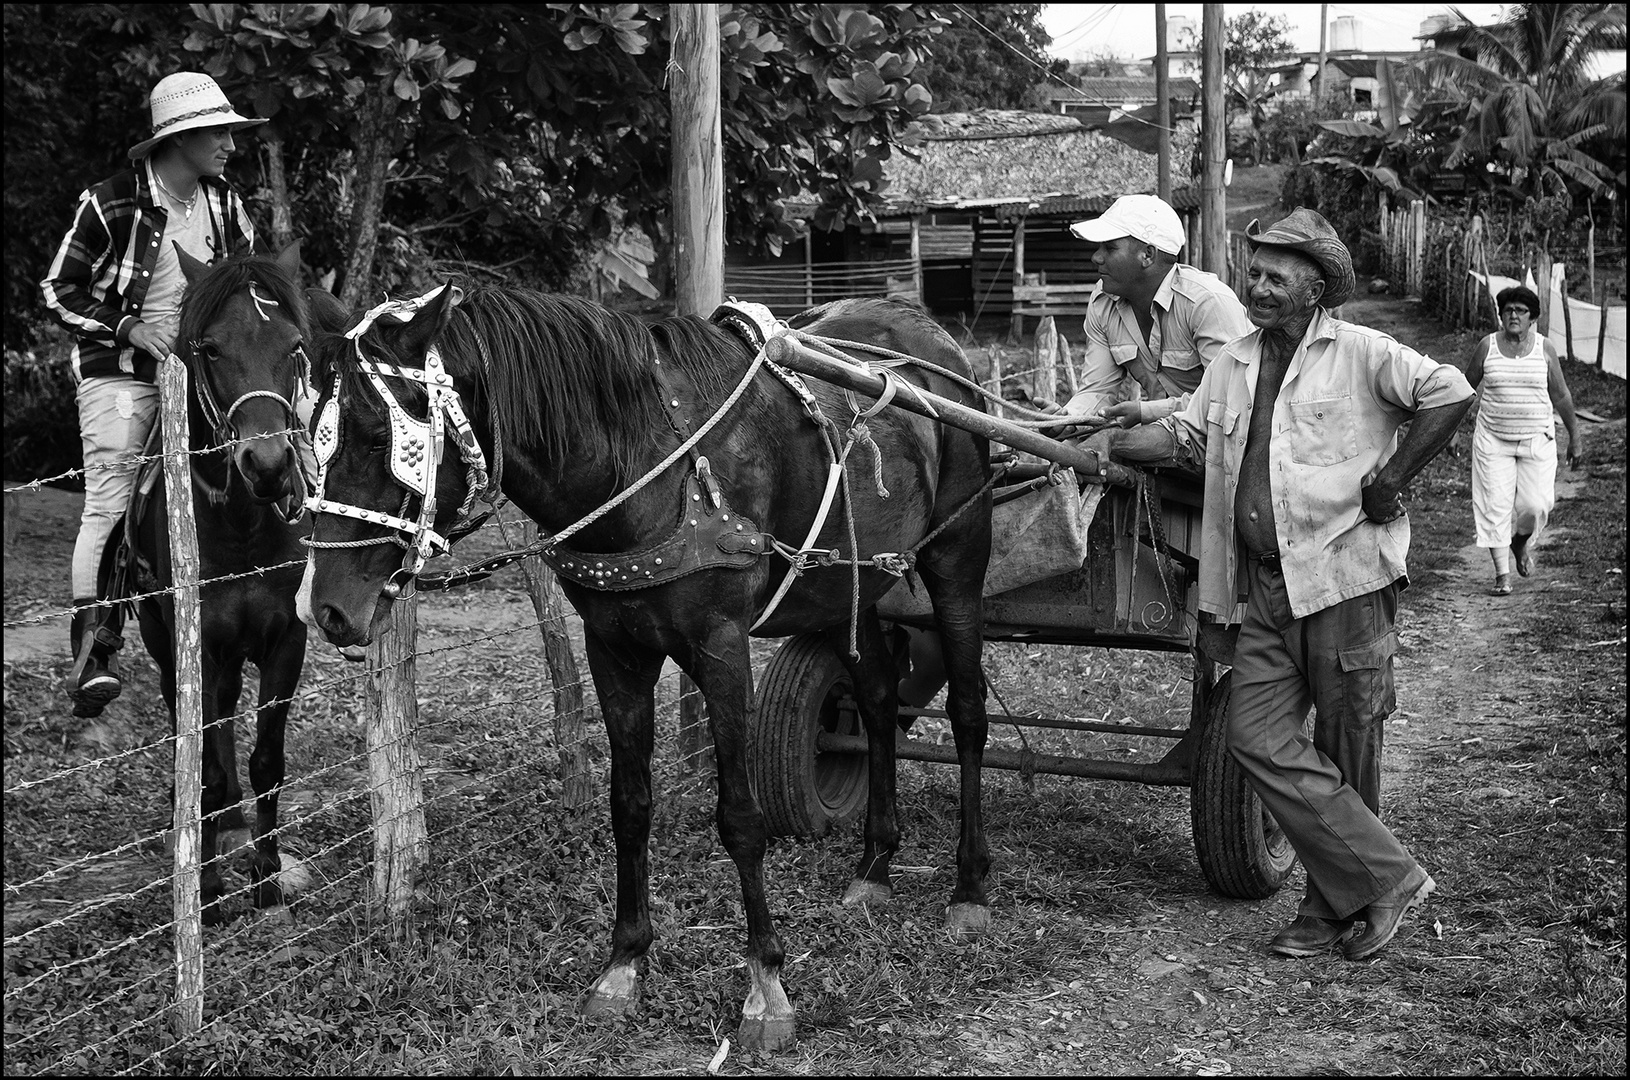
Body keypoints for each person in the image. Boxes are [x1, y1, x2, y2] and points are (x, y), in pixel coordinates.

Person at [1087, 208, 1475, 961]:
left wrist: (1391, 478)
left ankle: (1331, 905)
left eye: (1273, 276)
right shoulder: (1234, 360)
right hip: (1261, 585)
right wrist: (1107, 440)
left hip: (1343, 580)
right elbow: (1190, 436)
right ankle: (1385, 877)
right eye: (1252, 272)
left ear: (1316, 287)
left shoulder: (1361, 352)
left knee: (1346, 743)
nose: (1255, 287)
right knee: (1253, 737)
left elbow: (1451, 390)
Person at [41, 72, 264, 717]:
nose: (229, 143)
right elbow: (60, 290)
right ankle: (94, 651)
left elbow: (243, 289)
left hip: (202, 370)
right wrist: (131, 327)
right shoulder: (111, 202)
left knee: (274, 448)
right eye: (218, 132)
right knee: (111, 495)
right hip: (121, 371)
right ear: (181, 138)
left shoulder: (225, 205)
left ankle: (300, 582)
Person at [1058, 193, 1253, 427]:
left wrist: (1148, 412)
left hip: (1230, 441)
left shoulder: (1207, 303)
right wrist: (1067, 418)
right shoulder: (1103, 302)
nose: (1096, 257)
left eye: (1109, 248)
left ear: (1147, 255)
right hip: (1167, 439)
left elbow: (1229, 401)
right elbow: (1097, 390)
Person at [1465, 285, 1583, 596]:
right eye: (1508, 310)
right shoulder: (1486, 347)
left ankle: (1520, 541)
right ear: (1501, 315)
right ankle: (1502, 575)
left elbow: (1561, 395)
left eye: (1521, 310)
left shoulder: (1544, 349)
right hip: (1493, 440)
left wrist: (1575, 436)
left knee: (1536, 505)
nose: (1514, 315)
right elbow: (1463, 391)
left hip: (1537, 440)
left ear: (1532, 318)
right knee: (1495, 506)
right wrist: (1450, 432)